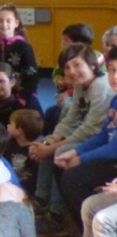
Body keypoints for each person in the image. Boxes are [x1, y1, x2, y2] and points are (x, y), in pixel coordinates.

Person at [32, 44, 116, 234]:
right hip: (100, 142)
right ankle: (42, 199)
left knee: (61, 157)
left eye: (77, 65)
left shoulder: (102, 90)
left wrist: (65, 151)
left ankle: (58, 212)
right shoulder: (83, 86)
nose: (71, 72)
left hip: (105, 149)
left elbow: (93, 132)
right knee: (51, 146)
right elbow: (73, 120)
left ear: (93, 65)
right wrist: (51, 141)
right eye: (67, 68)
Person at [58, 48, 117, 229]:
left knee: (72, 179)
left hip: (113, 159)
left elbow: (113, 148)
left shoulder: (103, 91)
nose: (115, 76)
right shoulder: (115, 100)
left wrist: (80, 159)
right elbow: (103, 135)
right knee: (62, 166)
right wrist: (75, 151)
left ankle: (88, 227)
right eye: (113, 70)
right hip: (111, 156)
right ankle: (80, 225)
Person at [0, 5, 38, 97]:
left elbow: (32, 74)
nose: (4, 24)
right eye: (0, 21)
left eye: (8, 21)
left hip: (20, 91)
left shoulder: (24, 46)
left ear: (16, 23)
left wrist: (23, 94)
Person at [4, 109, 44, 196]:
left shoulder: (35, 152)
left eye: (11, 124)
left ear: (19, 131)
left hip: (24, 192)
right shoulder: (10, 145)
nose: (8, 126)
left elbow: (34, 178)